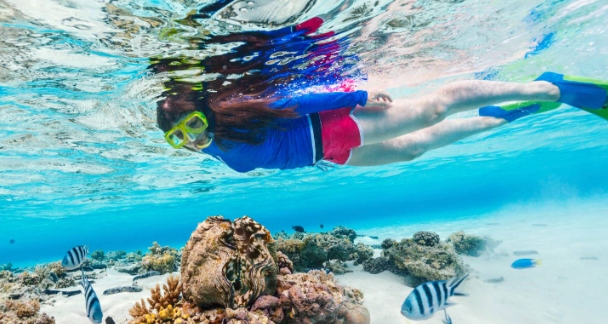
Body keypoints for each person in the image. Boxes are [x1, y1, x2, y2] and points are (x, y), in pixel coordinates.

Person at [155, 21, 607, 173]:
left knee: (435, 107)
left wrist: (357, 94)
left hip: (330, 126)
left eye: (193, 125)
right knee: (414, 149)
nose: (193, 138)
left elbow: (295, 102)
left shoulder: (234, 111)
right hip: (327, 155)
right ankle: (517, 110)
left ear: (203, 110)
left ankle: (551, 86)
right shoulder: (213, 149)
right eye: (181, 138)